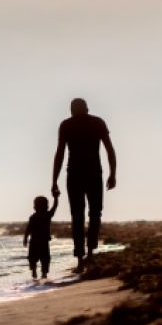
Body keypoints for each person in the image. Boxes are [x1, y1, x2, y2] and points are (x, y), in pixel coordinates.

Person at [51, 98, 117, 273]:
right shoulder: (94, 122)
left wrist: (54, 181)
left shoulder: (69, 124)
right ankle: (88, 255)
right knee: (92, 214)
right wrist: (112, 174)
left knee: (79, 216)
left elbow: (60, 153)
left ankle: (82, 258)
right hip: (90, 173)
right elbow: (109, 149)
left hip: (78, 174)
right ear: (86, 108)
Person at [23, 193, 59, 281]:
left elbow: (28, 229)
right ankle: (43, 273)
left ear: (35, 206)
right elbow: (55, 207)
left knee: (33, 258)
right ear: (46, 206)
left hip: (35, 242)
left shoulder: (34, 217)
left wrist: (25, 238)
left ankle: (35, 270)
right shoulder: (47, 215)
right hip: (42, 242)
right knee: (45, 259)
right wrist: (56, 198)